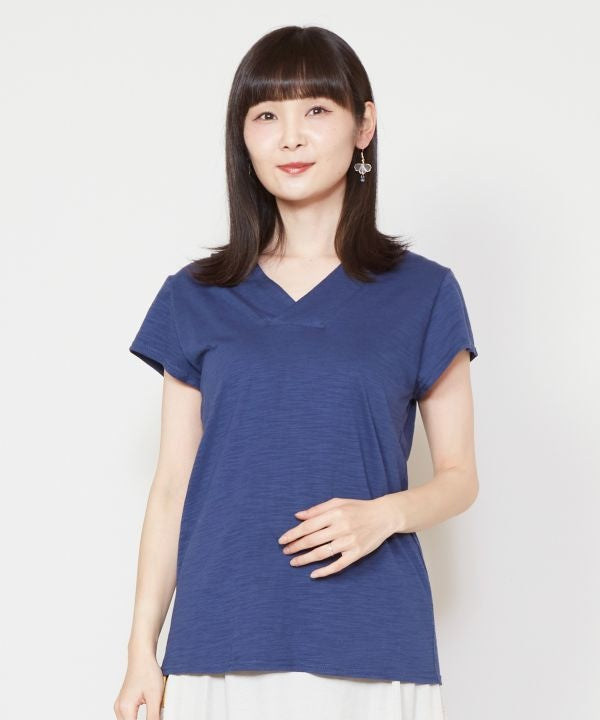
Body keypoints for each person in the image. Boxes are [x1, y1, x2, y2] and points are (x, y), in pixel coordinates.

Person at [114, 24, 479, 720]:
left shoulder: (425, 293)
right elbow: (171, 489)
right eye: (265, 115)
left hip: (371, 640)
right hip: (220, 637)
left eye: (316, 109)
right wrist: (141, 652)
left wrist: (384, 516)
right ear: (242, 138)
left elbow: (460, 477)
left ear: (363, 125)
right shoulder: (194, 297)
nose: (290, 137)